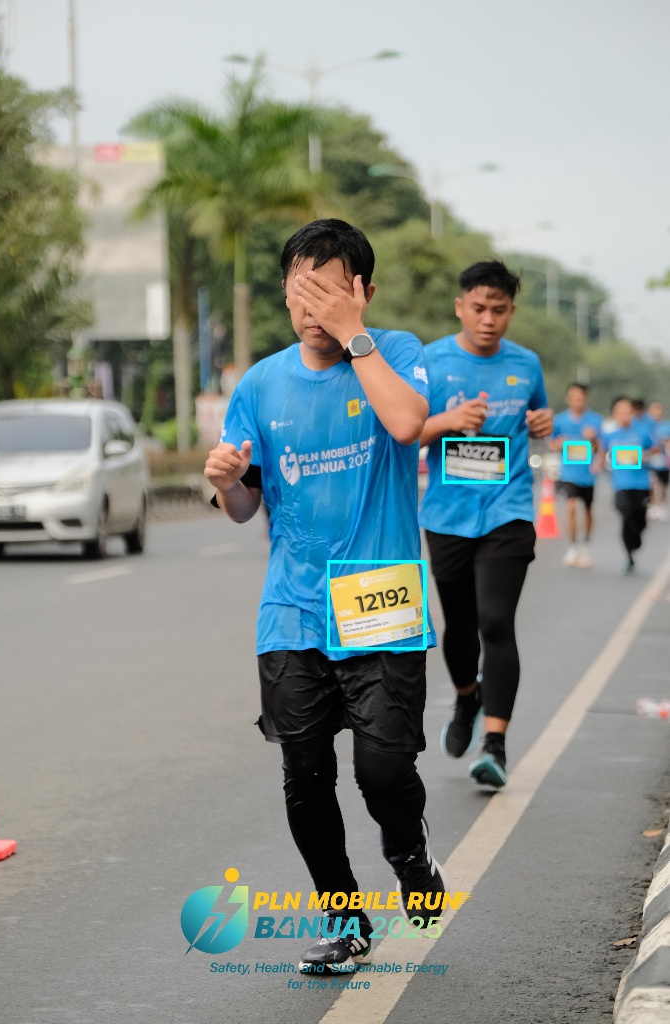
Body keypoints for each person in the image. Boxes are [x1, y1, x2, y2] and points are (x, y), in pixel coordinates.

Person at [204, 219, 443, 973]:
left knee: (383, 773)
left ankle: (410, 856)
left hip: (381, 602)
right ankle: (346, 920)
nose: (313, 308)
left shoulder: (395, 352)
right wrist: (225, 484)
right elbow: (245, 505)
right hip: (293, 608)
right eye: (301, 291)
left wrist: (354, 334)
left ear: (362, 292)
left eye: (331, 292)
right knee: (305, 777)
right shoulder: (260, 384)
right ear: (284, 293)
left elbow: (407, 423)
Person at [418, 260, 553, 789]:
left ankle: (494, 745)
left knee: (495, 622)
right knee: (459, 626)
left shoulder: (527, 364)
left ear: (511, 311)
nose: (488, 319)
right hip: (448, 515)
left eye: (499, 310)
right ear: (460, 307)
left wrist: (542, 423)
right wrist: (448, 421)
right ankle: (466, 698)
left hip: (507, 510)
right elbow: (405, 430)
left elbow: (539, 418)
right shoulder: (430, 362)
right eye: (479, 308)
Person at [595, 397, 657, 573]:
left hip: (641, 483)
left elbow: (655, 448)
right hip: (621, 484)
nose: (624, 415)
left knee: (640, 517)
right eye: (620, 412)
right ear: (615, 414)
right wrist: (597, 464)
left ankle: (637, 537)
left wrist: (646, 455)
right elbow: (602, 452)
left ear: (632, 414)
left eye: (627, 412)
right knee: (626, 515)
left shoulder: (642, 432)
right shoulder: (610, 435)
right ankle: (629, 556)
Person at [548, 383, 603, 567]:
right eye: (575, 397)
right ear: (568, 399)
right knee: (571, 507)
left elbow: (601, 447)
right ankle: (572, 547)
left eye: (581, 397)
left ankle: (585, 546)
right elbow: (551, 443)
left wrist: (592, 439)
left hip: (587, 473)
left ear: (586, 399)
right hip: (568, 472)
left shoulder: (595, 420)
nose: (578, 400)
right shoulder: (559, 420)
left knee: (587, 509)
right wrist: (558, 444)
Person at [647, 401, 670, 521]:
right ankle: (652, 506)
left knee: (663, 485)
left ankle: (661, 506)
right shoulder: (646, 427)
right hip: (650, 461)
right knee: (653, 484)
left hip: (664, 461)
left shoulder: (667, 426)